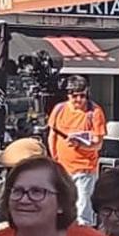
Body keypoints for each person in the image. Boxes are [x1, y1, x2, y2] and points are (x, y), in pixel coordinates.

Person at [46, 75, 107, 225]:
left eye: (82, 96)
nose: (79, 100)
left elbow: (98, 144)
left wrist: (80, 145)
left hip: (84, 168)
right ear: (68, 95)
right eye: (74, 96)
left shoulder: (95, 112)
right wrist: (54, 159)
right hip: (62, 167)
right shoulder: (59, 109)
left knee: (82, 212)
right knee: (60, 208)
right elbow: (52, 135)